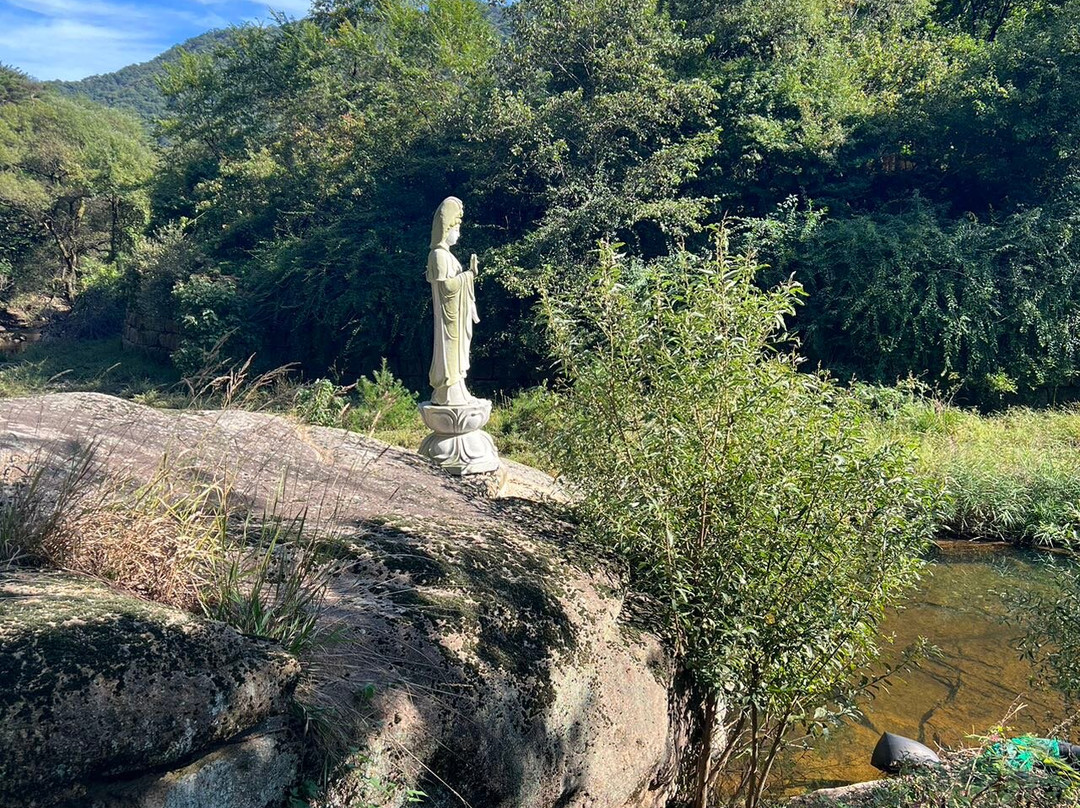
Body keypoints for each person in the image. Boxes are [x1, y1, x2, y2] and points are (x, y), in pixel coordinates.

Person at [426, 196, 479, 406]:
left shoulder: (447, 256)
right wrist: (469, 275)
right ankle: (447, 391)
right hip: (449, 320)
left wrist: (467, 275)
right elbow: (447, 287)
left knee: (458, 352)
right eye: (456, 228)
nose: (459, 233)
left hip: (455, 317)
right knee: (450, 353)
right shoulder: (438, 255)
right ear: (446, 229)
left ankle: (457, 389)